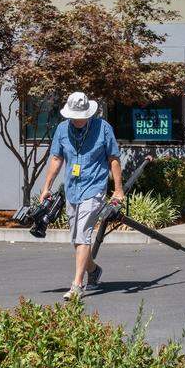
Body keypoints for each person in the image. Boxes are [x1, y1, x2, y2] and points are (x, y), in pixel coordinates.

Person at [40, 91, 124, 299]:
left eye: (81, 115)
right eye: (74, 116)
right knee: (77, 239)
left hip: (94, 188)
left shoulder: (103, 128)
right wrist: (46, 187)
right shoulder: (62, 129)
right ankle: (94, 271)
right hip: (72, 190)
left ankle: (77, 285)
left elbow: (113, 158)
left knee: (82, 234)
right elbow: (56, 159)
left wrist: (119, 190)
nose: (77, 119)